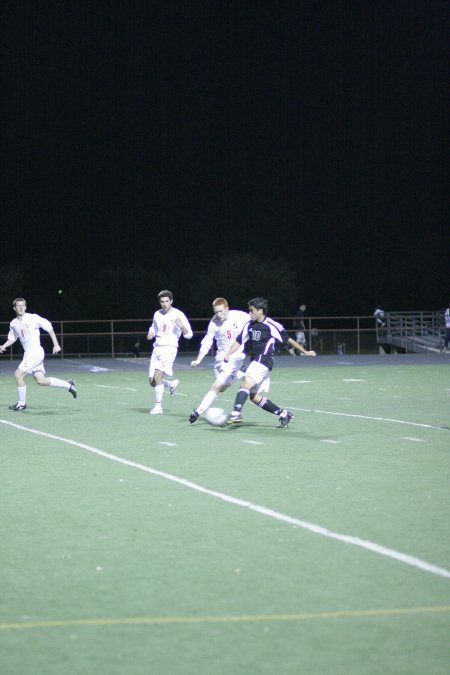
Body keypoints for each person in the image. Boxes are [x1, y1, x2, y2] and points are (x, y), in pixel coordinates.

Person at [224, 297, 316, 427]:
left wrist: (305, 351)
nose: (249, 313)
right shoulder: (248, 325)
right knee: (254, 397)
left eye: (251, 310)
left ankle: (235, 414)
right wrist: (228, 353)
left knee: (245, 383)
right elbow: (239, 341)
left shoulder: (272, 325)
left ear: (260, 311)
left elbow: (288, 340)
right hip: (256, 362)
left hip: (263, 360)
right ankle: (284, 414)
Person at [0, 297, 77, 411]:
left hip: (35, 352)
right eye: (18, 306)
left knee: (18, 374)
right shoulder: (14, 323)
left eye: (23, 305)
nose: (21, 307)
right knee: (41, 380)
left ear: (25, 307)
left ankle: (22, 404)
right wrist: (3, 346)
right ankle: (69, 385)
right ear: (14, 308)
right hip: (28, 354)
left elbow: (49, 328)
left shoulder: (33, 318)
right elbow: (12, 338)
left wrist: (56, 344)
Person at [188, 297, 249, 423]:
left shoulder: (239, 316)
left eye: (221, 311)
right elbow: (207, 342)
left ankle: (197, 412)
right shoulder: (214, 322)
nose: (219, 315)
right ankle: (241, 373)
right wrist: (198, 360)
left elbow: (254, 320)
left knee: (216, 386)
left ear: (227, 308)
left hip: (235, 357)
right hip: (220, 359)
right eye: (216, 312)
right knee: (222, 388)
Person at [147, 290, 193, 414]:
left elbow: (189, 335)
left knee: (157, 376)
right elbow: (154, 327)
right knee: (152, 381)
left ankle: (158, 407)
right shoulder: (157, 314)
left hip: (169, 349)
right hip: (157, 348)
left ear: (171, 301)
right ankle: (172, 384)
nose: (164, 304)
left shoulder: (178, 314)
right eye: (162, 301)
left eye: (167, 301)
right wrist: (151, 333)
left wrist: (181, 326)